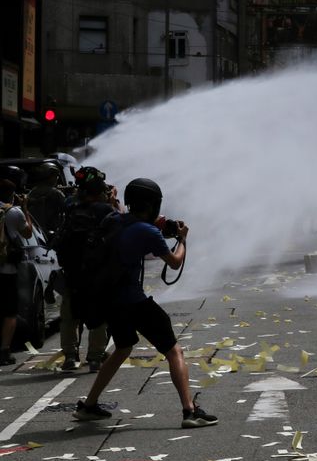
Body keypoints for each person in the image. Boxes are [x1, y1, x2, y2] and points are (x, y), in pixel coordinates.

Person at [73, 178, 217, 429]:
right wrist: (182, 239)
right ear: (153, 204)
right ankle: (189, 411)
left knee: (123, 347)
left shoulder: (113, 219)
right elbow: (174, 262)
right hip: (133, 301)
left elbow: (135, 223)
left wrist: (162, 224)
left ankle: (89, 406)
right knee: (174, 350)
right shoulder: (147, 232)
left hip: (109, 300)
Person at [56, 167, 114, 372]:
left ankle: (70, 357)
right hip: (97, 273)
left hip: (72, 272)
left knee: (69, 316)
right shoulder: (105, 210)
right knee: (98, 316)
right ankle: (95, 358)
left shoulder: (70, 206)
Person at [0, 176, 33, 366]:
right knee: (9, 312)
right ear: (11, 194)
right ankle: (4, 350)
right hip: (7, 270)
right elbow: (27, 232)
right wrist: (25, 208)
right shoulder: (13, 212)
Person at [27, 162, 66, 240]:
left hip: (35, 233)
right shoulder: (55, 193)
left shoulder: (32, 191)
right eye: (55, 176)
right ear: (50, 177)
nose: (56, 179)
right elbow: (67, 207)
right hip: (50, 234)